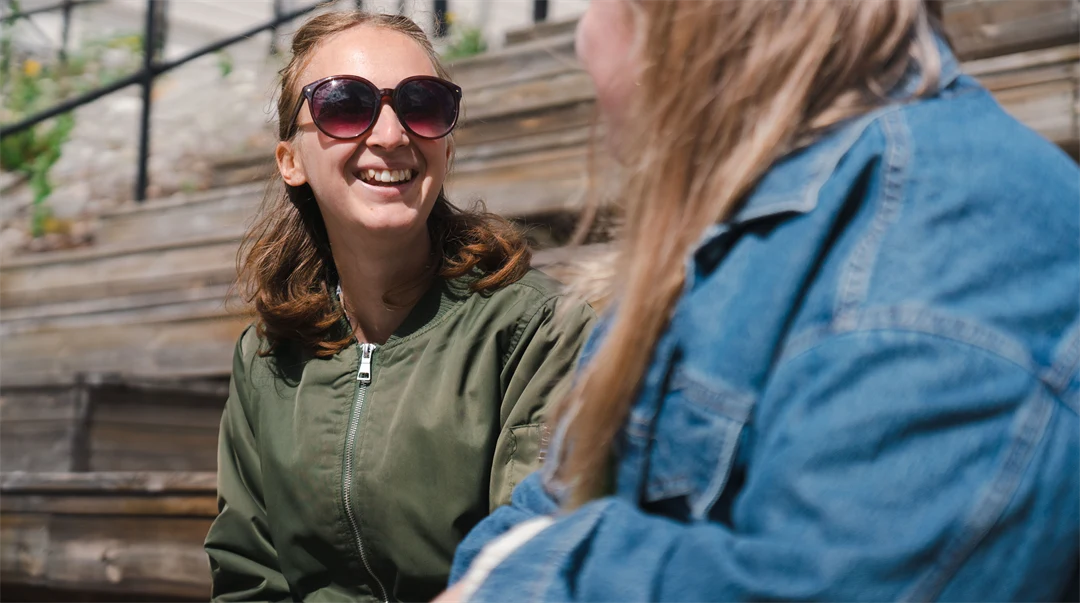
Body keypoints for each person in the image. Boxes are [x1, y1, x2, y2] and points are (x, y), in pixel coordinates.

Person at [441, 0, 1080, 601]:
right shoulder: (737, 224)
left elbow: (834, 581)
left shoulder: (949, 233)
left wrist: (533, 570)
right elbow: (549, 501)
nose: (581, 40)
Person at [202, 10, 595, 603]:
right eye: (344, 104)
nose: (391, 134)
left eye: (423, 104)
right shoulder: (265, 357)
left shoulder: (538, 330)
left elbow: (529, 564)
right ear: (291, 161)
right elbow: (249, 578)